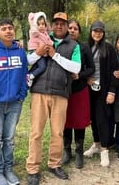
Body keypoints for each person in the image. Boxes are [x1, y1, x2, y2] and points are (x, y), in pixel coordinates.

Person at [26, 12, 81, 185]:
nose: (59, 26)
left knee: (57, 132)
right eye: (56, 23)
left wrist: (55, 55)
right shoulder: (40, 37)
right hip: (39, 92)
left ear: (66, 26)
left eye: (62, 24)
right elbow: (28, 59)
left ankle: (54, 164)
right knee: (36, 132)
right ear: (52, 25)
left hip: (60, 93)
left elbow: (76, 67)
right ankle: (33, 168)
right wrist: (39, 52)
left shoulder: (73, 45)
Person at [0, 19, 28, 185]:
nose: (8, 31)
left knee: (9, 138)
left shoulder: (20, 52)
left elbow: (25, 73)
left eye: (10, 28)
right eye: (4, 29)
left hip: (15, 103)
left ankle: (8, 169)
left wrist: (22, 95)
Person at [83, 20, 119, 167]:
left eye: (100, 31)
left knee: (102, 119)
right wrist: (86, 78)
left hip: (104, 89)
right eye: (95, 31)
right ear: (91, 32)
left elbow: (114, 72)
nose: (97, 33)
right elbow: (82, 66)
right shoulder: (86, 47)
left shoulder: (109, 49)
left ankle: (105, 150)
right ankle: (96, 144)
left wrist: (112, 91)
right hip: (89, 89)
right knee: (93, 118)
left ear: (103, 33)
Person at [61, 19, 95, 169]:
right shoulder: (60, 46)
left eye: (75, 28)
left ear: (79, 32)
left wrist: (80, 75)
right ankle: (67, 151)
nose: (72, 30)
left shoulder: (84, 47)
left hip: (80, 90)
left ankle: (79, 152)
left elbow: (91, 68)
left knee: (80, 122)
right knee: (65, 121)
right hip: (63, 90)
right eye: (70, 28)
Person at [26, 12, 53, 87]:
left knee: (37, 66)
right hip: (35, 50)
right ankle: (31, 76)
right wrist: (32, 24)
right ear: (35, 25)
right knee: (42, 67)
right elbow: (33, 30)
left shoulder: (45, 33)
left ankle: (28, 74)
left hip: (42, 51)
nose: (41, 26)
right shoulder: (35, 32)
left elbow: (48, 40)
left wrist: (51, 43)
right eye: (39, 24)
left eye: (43, 24)